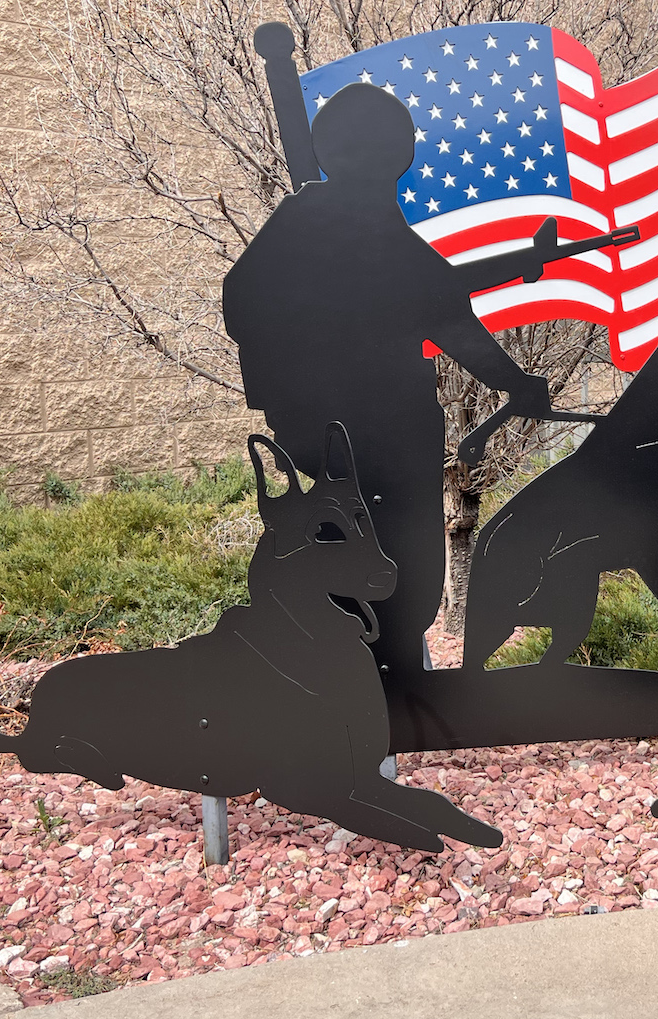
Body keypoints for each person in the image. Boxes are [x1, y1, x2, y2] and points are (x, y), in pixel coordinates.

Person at [222, 82, 556, 687]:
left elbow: (435, 299)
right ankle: (369, 686)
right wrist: (517, 383)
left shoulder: (335, 225)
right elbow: (453, 322)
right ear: (399, 154)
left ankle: (369, 681)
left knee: (372, 556)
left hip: (351, 431)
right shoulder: (347, 230)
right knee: (393, 563)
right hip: (370, 434)